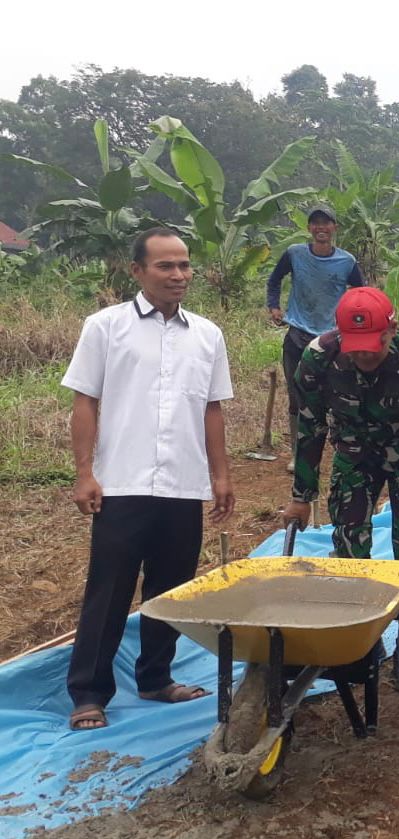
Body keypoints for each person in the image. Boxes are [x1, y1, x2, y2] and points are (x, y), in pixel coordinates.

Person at [61, 227, 235, 730]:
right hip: (123, 482)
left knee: (171, 588)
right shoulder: (105, 327)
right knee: (109, 589)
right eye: (165, 266)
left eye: (184, 265)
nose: (178, 275)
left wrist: (220, 476)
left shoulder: (207, 335)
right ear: (137, 271)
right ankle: (89, 692)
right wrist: (84, 473)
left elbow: (212, 410)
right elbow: (85, 402)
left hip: (182, 484)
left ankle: (156, 677)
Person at [283, 286, 399, 693]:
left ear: (393, 330)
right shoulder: (317, 359)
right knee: (349, 542)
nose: (364, 356)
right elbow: (310, 427)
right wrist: (302, 496)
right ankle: (357, 643)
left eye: (374, 346)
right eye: (356, 348)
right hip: (355, 452)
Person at [266, 205, 365, 471]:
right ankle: (299, 457)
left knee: (340, 394)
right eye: (316, 223)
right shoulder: (295, 254)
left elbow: (361, 293)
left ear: (334, 228)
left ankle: (344, 453)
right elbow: (274, 280)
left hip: (333, 339)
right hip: (298, 335)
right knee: (297, 396)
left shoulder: (347, 261)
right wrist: (274, 306)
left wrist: (355, 322)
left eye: (327, 223)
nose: (321, 228)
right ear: (309, 228)